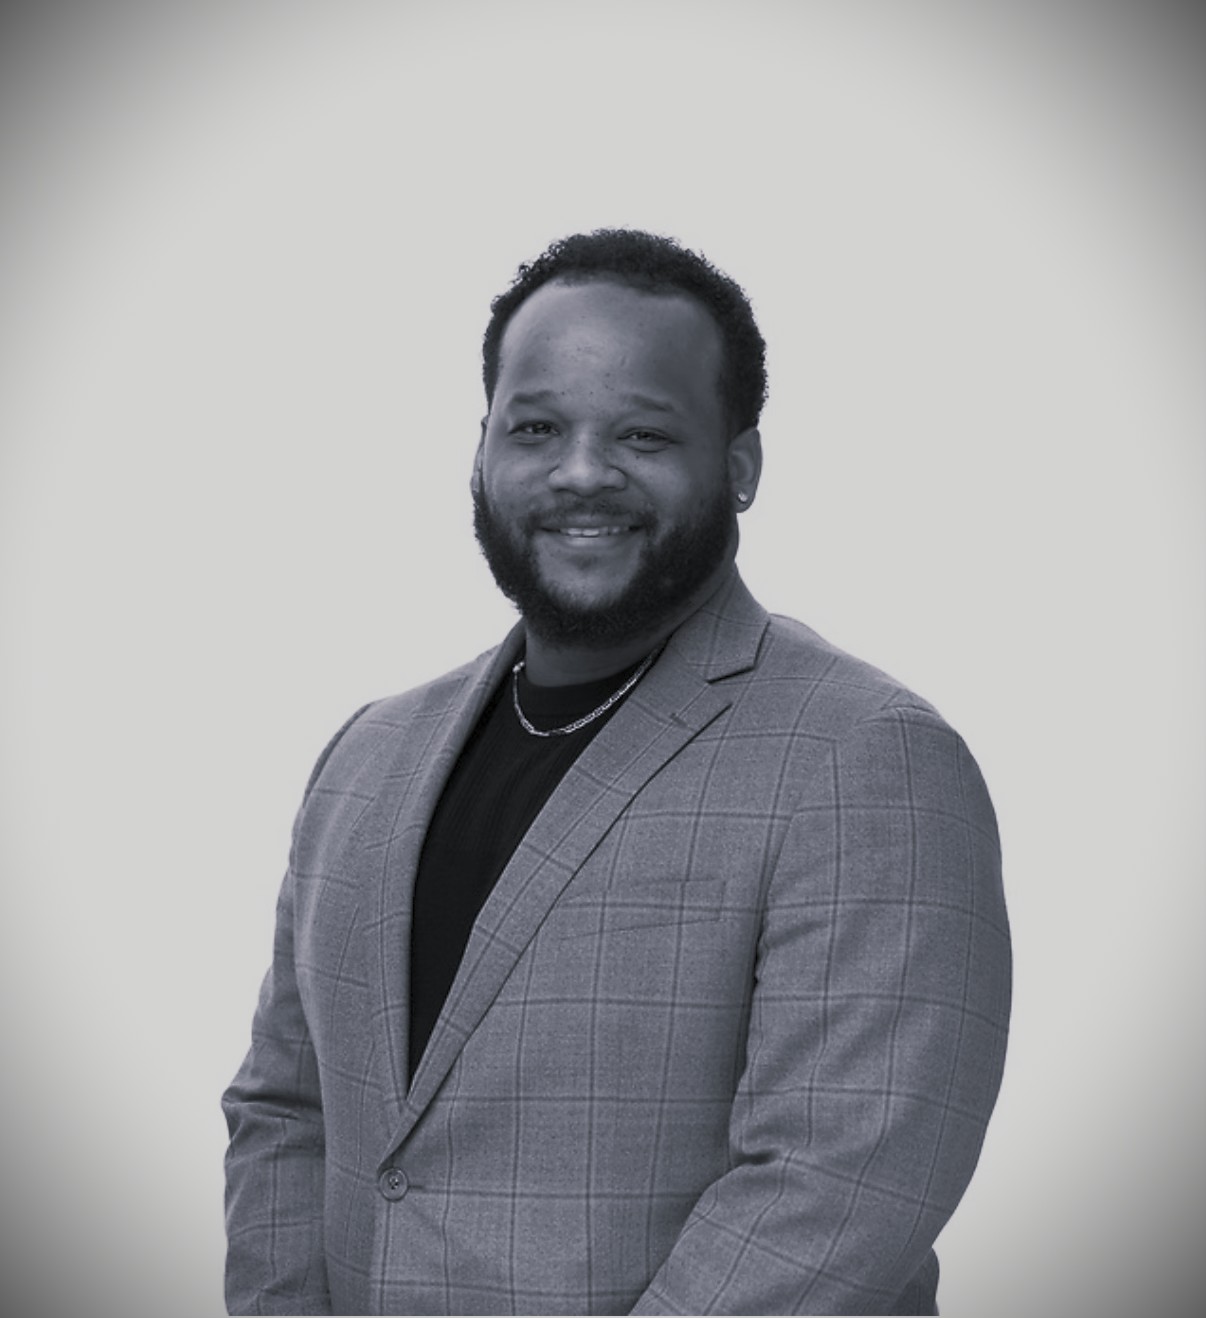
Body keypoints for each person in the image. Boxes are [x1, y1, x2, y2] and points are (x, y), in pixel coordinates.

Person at [222, 229, 1011, 1316]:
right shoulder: (367, 755)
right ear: (482, 448)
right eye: (536, 427)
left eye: (644, 433)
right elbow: (285, 1109)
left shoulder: (867, 757)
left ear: (740, 467)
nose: (582, 472)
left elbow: (838, 1189)